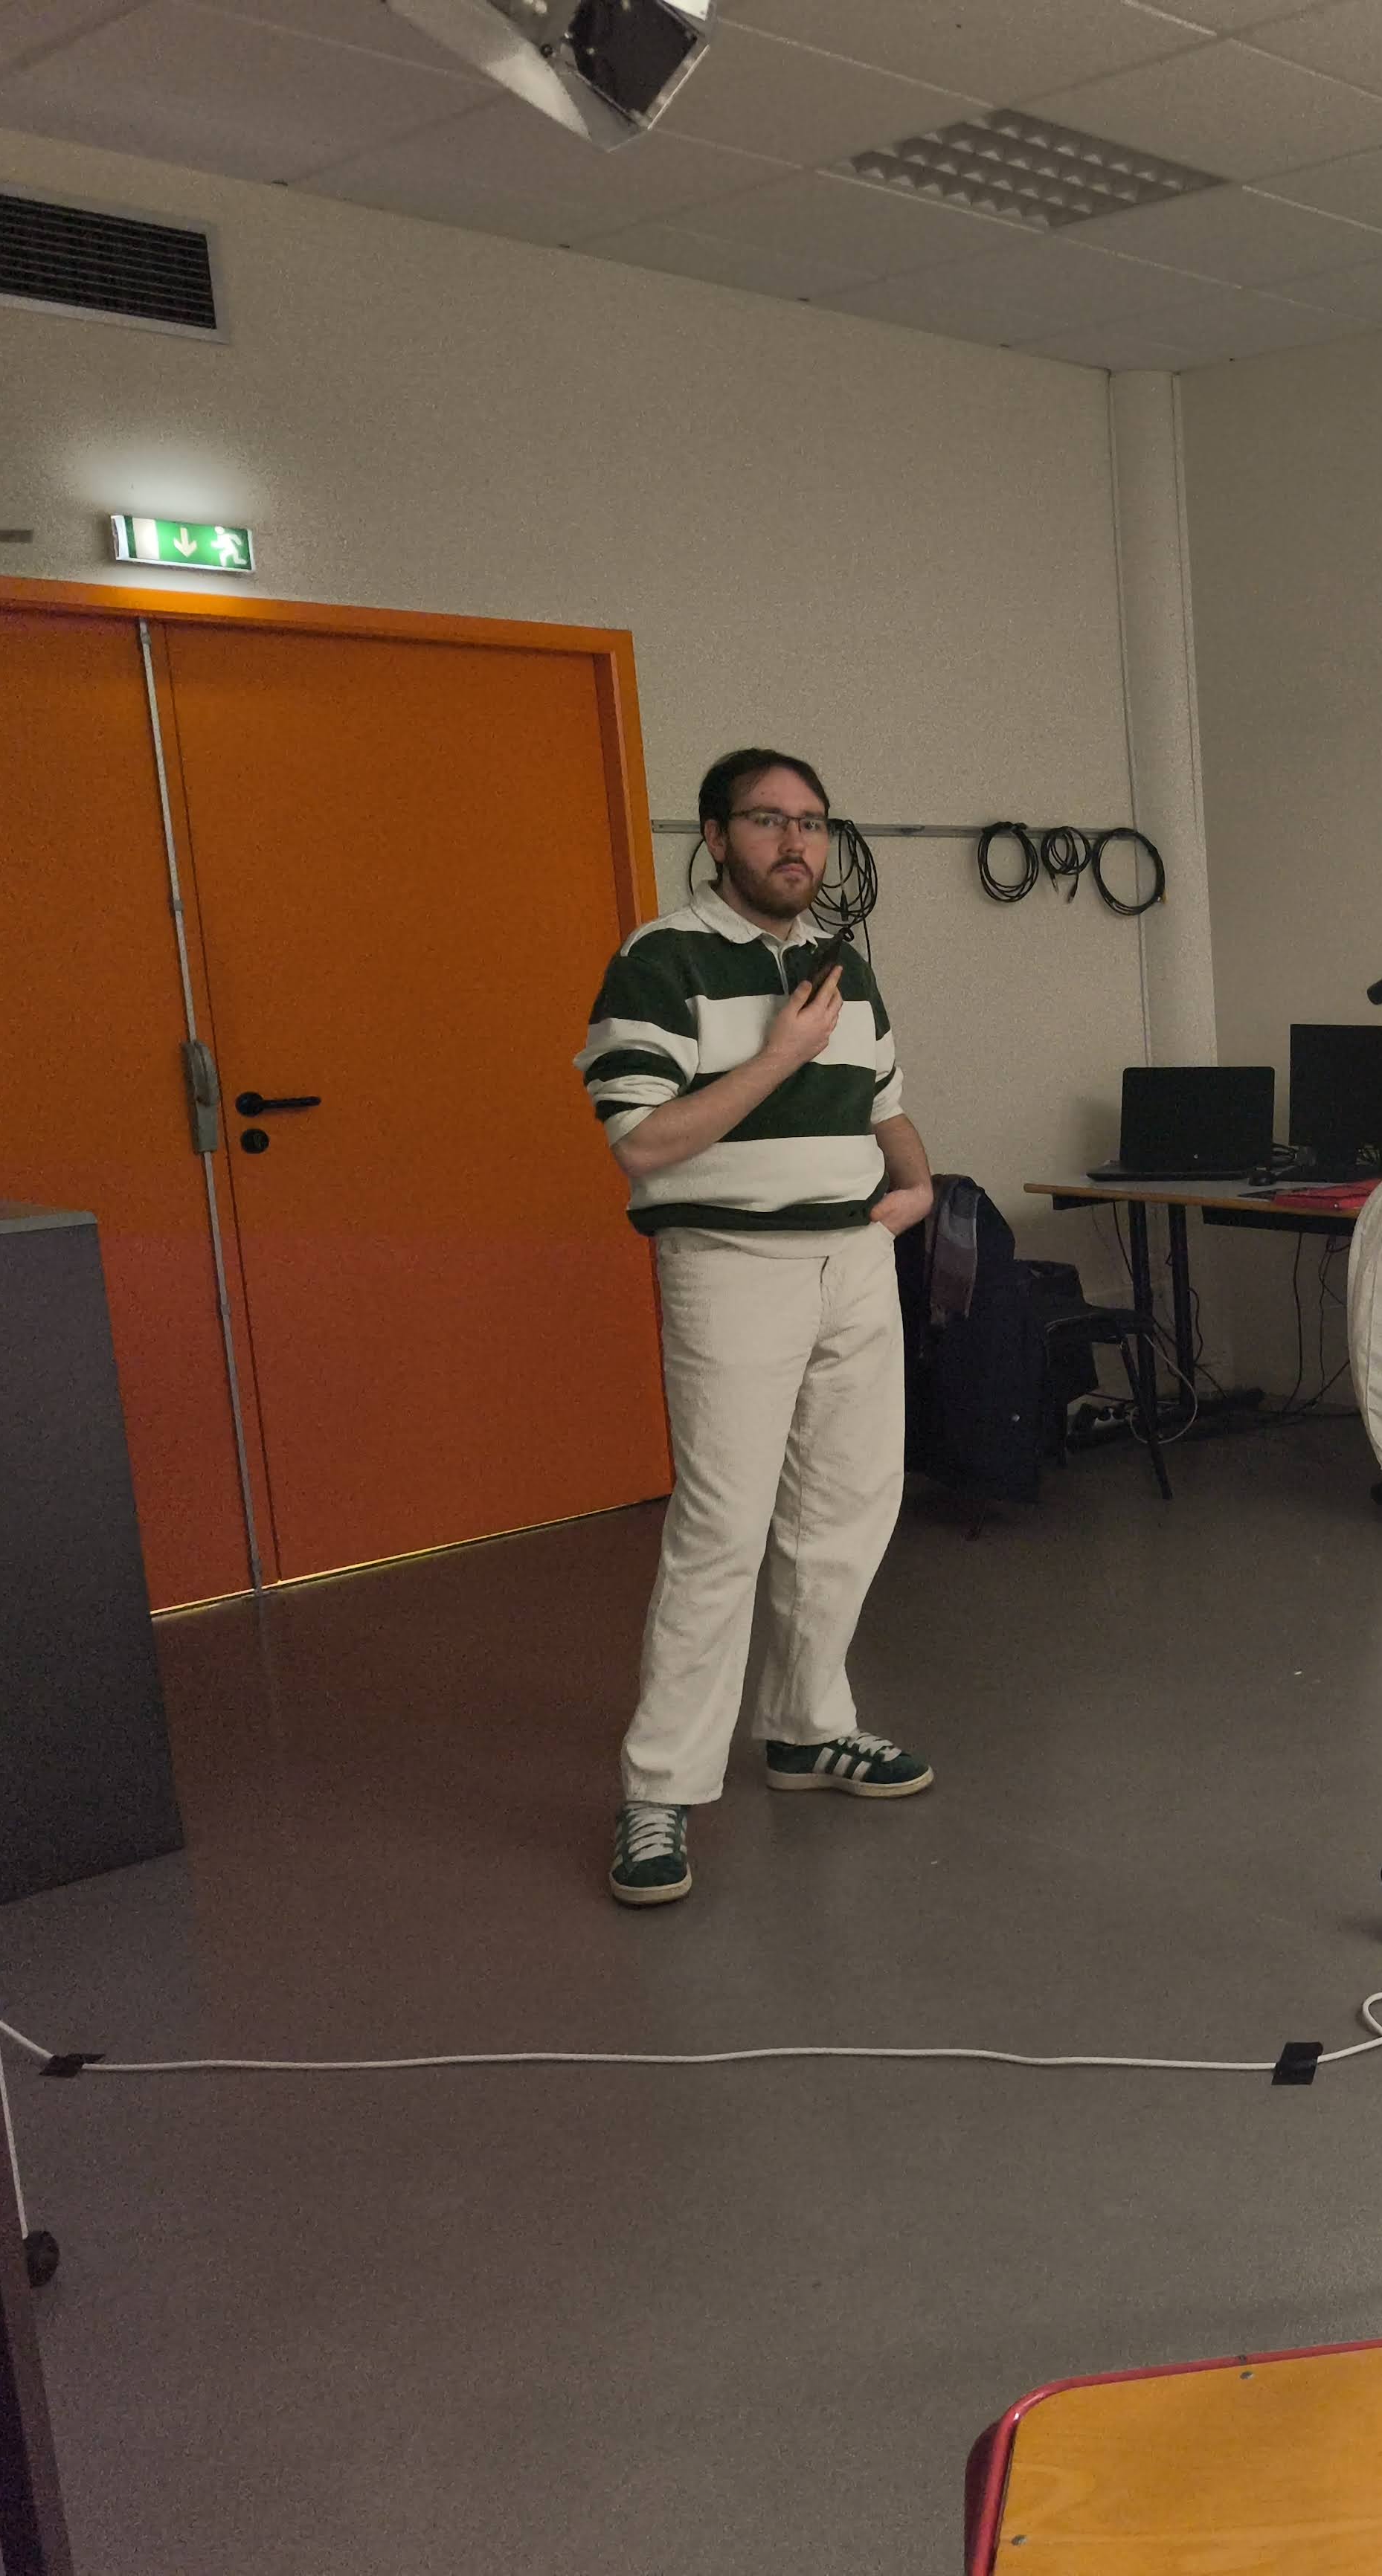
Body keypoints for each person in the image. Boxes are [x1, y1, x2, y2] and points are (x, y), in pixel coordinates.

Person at [575, 749, 939, 1907]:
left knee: (846, 1510)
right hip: (729, 1265)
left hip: (851, 1261)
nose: (796, 843)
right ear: (717, 835)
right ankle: (659, 1790)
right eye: (769, 820)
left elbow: (886, 1104)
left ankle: (805, 1728)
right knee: (722, 1530)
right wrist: (780, 1054)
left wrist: (917, 1186)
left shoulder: (844, 965)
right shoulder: (661, 960)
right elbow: (643, 1143)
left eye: (813, 823)